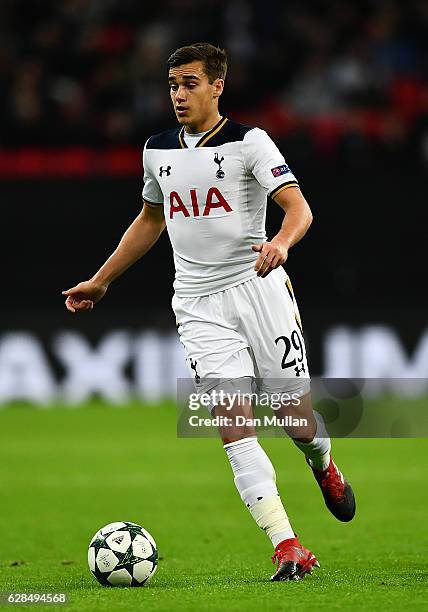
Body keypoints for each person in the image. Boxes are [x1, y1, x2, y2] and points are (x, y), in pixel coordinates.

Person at [62, 42, 355, 582]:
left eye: (190, 83)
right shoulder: (156, 150)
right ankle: (287, 545)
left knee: (295, 421)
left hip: (259, 287)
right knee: (232, 422)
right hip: (197, 303)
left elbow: (298, 207)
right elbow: (150, 220)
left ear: (218, 86)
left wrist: (282, 243)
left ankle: (323, 464)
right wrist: (101, 281)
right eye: (173, 84)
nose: (179, 94)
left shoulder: (249, 142)